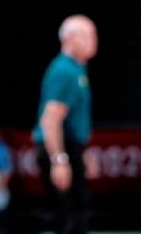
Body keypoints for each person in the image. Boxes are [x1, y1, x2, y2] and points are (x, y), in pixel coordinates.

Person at [33, 15, 98, 234]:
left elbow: (72, 119)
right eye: (87, 35)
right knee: (69, 219)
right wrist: (59, 160)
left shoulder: (78, 69)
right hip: (61, 150)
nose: (93, 40)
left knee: (77, 213)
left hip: (71, 148)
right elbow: (50, 119)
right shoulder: (65, 71)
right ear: (69, 39)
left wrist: (83, 152)